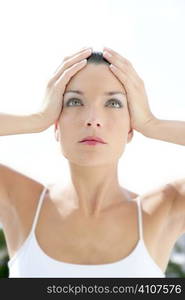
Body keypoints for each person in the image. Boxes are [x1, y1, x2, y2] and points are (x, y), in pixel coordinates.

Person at [0, 46, 185, 278]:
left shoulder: (162, 209)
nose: (93, 119)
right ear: (56, 125)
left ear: (131, 128)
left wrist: (152, 124)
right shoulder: (19, 202)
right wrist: (35, 120)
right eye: (75, 102)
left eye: (113, 103)